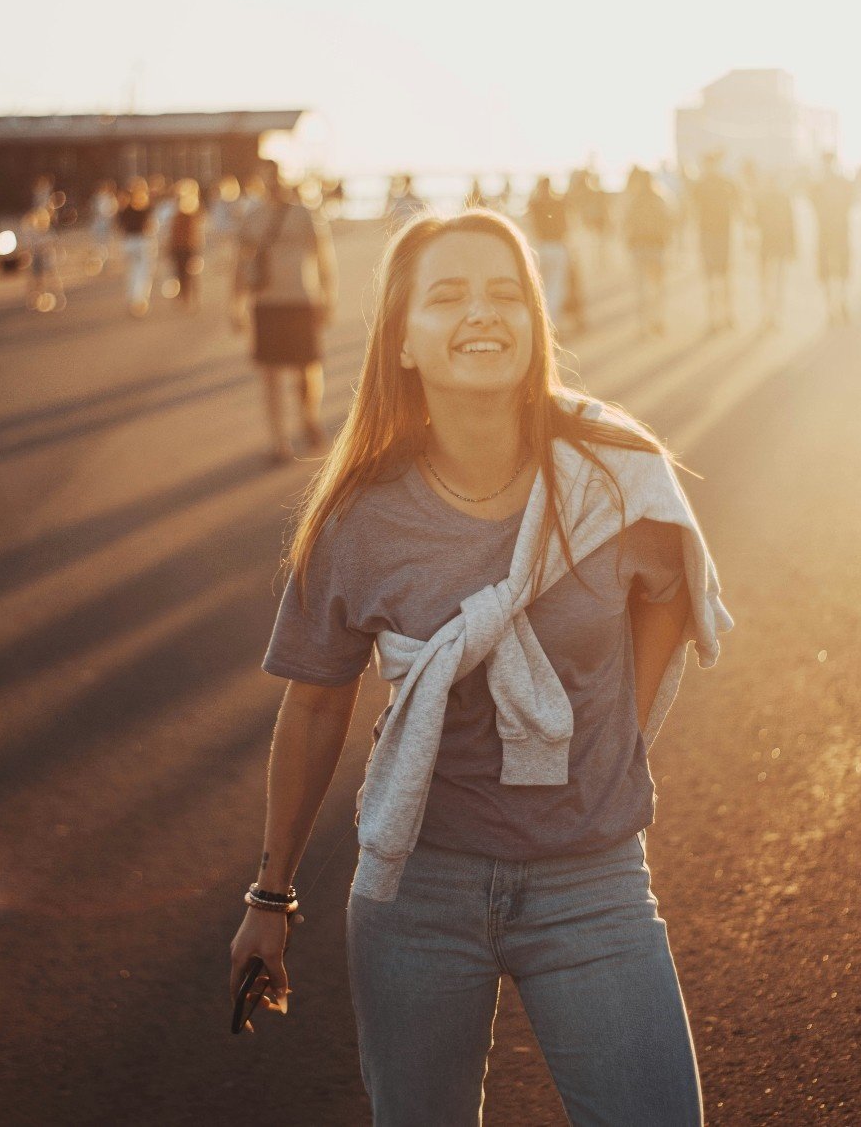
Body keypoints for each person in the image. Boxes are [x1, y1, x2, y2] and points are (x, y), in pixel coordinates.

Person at [228, 208, 733, 1125]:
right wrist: (270, 894)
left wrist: (621, 728)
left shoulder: (615, 471)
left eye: (507, 293)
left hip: (593, 879)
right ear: (404, 339)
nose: (482, 314)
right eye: (449, 295)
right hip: (419, 885)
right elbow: (312, 709)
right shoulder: (354, 517)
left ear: (537, 325)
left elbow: (672, 586)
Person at [234, 161, 338, 463]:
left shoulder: (306, 214)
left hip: (301, 299)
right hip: (266, 303)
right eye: (269, 179)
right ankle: (279, 440)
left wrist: (328, 296)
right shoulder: (252, 217)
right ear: (261, 182)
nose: (274, 184)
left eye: (278, 178)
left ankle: (309, 418)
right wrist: (235, 305)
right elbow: (239, 265)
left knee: (308, 368)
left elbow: (324, 257)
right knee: (270, 374)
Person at [623, 167, 674, 338]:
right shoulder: (659, 198)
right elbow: (668, 221)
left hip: (639, 247)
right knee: (657, 287)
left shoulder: (634, 200)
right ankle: (658, 320)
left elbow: (626, 224)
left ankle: (642, 326)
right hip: (656, 247)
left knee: (641, 288)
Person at [691, 152, 739, 333]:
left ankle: (727, 315)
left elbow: (737, 205)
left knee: (724, 278)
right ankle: (714, 318)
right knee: (711, 279)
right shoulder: (702, 185)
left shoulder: (723, 183)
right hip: (708, 235)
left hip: (721, 235)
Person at [809, 152, 854, 325]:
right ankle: (833, 306)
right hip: (833, 232)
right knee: (832, 270)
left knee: (838, 270)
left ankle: (839, 303)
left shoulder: (819, 185)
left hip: (832, 232)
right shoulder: (834, 184)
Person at [526, 176, 571, 329]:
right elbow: (565, 227)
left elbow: (530, 223)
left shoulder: (535, 204)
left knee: (540, 288)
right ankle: (551, 325)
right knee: (556, 288)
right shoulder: (558, 203)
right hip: (557, 247)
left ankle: (542, 322)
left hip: (541, 248)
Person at [753, 173, 796, 330]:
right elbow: (755, 222)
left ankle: (774, 315)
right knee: (769, 282)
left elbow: (791, 224)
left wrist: (792, 248)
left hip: (777, 246)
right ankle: (767, 314)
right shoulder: (763, 200)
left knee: (776, 282)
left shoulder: (782, 200)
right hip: (768, 246)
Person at [116, 178, 155, 317]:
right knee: (142, 273)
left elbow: (119, 227)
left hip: (128, 243)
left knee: (132, 272)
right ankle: (139, 301)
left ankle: (132, 298)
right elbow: (150, 227)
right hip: (142, 242)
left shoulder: (124, 208)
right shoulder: (146, 208)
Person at [167, 179, 205, 311]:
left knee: (183, 274)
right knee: (187, 275)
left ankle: (187, 299)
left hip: (184, 247)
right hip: (186, 247)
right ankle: (189, 299)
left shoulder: (180, 212)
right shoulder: (192, 212)